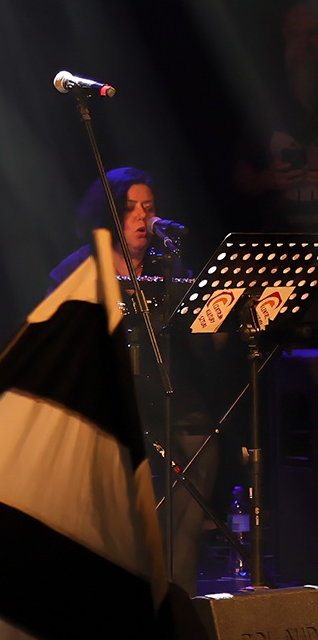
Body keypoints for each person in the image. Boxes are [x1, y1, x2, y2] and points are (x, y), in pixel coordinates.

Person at [51, 168, 232, 593]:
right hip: (106, 394)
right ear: (107, 214)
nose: (141, 217)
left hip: (167, 394)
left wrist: (227, 311)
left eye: (148, 208)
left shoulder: (171, 270)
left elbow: (209, 342)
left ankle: (178, 591)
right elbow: (57, 341)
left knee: (201, 442)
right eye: (129, 208)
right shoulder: (77, 269)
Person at [235, 0, 318, 235]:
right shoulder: (268, 103)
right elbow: (241, 177)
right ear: (284, 37)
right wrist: (270, 178)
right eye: (295, 35)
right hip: (282, 239)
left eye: (313, 33)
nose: (304, 44)